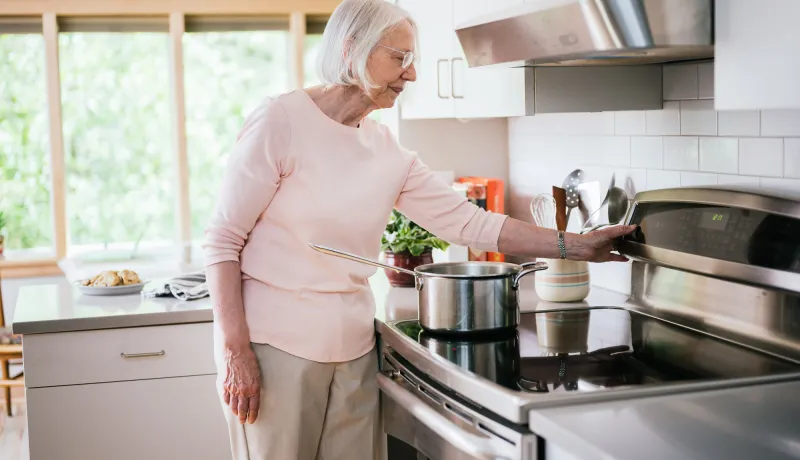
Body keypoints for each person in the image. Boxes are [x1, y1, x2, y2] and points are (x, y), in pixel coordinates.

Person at [203, 0, 636, 458]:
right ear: (353, 49)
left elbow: (471, 223)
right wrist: (235, 351)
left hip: (353, 350)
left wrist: (576, 246)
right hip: (275, 349)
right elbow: (223, 240)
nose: (410, 75)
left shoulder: (386, 150)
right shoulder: (280, 121)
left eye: (413, 62)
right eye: (399, 58)